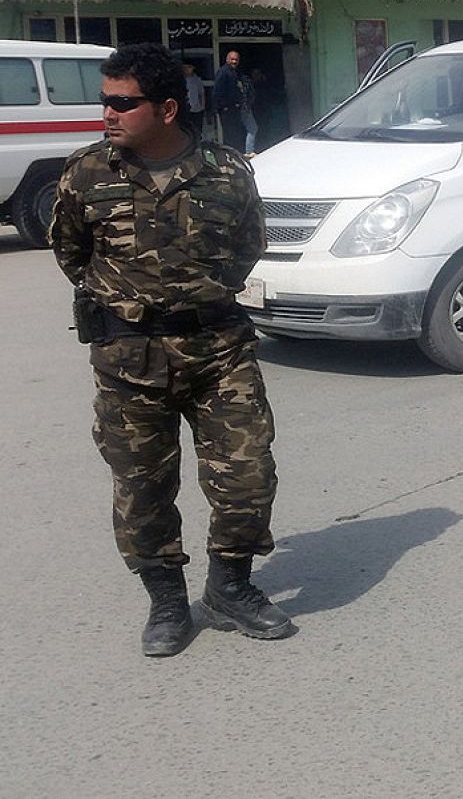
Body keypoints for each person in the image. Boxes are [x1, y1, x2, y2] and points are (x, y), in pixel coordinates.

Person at [49, 43, 290, 657]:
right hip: (129, 359)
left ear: (165, 108)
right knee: (142, 489)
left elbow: (246, 248)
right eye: (105, 100)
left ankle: (231, 588)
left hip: (218, 351)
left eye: (121, 103)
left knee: (247, 476)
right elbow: (72, 253)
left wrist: (196, 302)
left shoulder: (227, 171)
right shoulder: (85, 174)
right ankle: (166, 601)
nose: (107, 112)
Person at [212, 50, 245, 151]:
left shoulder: (233, 72)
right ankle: (229, 157)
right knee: (230, 135)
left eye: (236, 59)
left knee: (235, 134)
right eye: (232, 59)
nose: (234, 61)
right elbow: (217, 91)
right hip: (227, 110)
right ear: (227, 60)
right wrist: (222, 107)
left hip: (233, 109)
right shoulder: (223, 72)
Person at [181, 62, 205, 135]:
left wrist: (202, 106)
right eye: (185, 68)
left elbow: (201, 93)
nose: (187, 70)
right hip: (186, 109)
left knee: (197, 129)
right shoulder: (181, 80)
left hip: (197, 109)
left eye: (189, 67)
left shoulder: (197, 80)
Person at [240, 68, 260, 155]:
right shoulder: (247, 81)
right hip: (245, 108)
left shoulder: (244, 80)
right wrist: (246, 106)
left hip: (243, 108)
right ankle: (249, 151)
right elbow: (246, 95)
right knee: (252, 128)